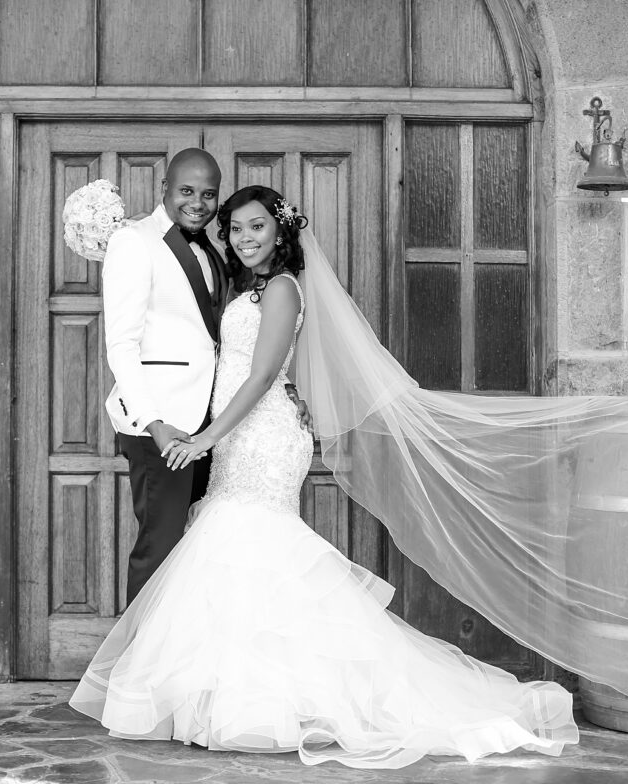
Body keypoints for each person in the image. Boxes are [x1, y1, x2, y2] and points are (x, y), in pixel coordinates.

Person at [71, 186, 578, 769]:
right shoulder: (250, 286)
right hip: (240, 435)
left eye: (257, 227)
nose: (244, 238)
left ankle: (264, 704)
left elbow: (263, 375)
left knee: (252, 545)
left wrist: (207, 437)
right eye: (236, 228)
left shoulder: (283, 288)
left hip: (261, 436)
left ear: (280, 232)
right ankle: (226, 698)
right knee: (235, 554)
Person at [103, 150, 309, 606]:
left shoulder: (221, 258)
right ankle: (140, 650)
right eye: (186, 191)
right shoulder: (135, 241)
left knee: (199, 552)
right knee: (161, 548)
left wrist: (283, 387)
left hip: (216, 427)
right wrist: (154, 424)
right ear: (165, 189)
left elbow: (231, 345)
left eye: (208, 194)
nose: (197, 203)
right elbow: (121, 345)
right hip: (167, 423)